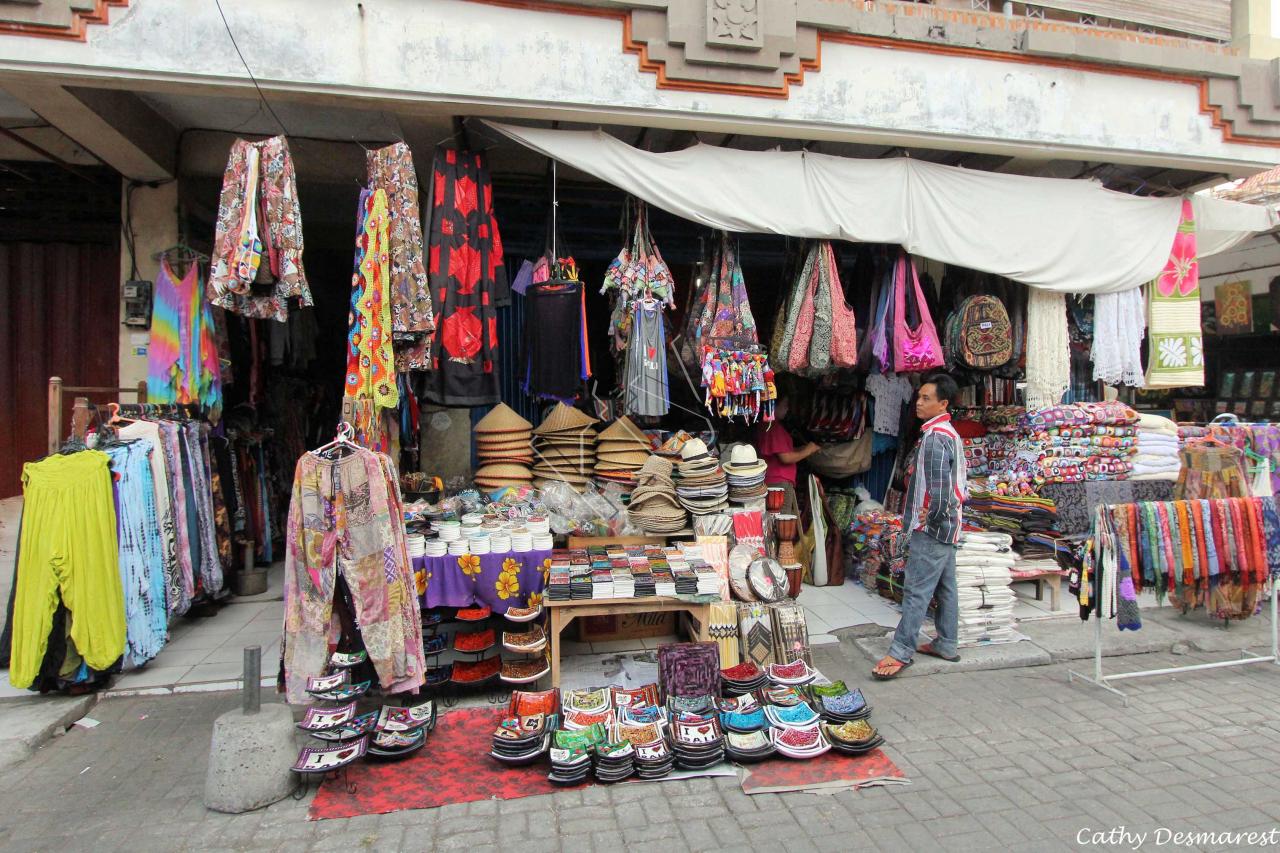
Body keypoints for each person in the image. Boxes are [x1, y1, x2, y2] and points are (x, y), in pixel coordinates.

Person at [873, 373, 967, 679]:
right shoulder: (946, 433)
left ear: (943, 403)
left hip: (934, 529)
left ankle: (901, 651)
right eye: (919, 397)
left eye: (927, 398)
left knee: (916, 590)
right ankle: (947, 644)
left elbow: (941, 488)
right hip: (947, 526)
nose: (919, 403)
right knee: (946, 586)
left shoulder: (937, 437)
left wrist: (932, 517)